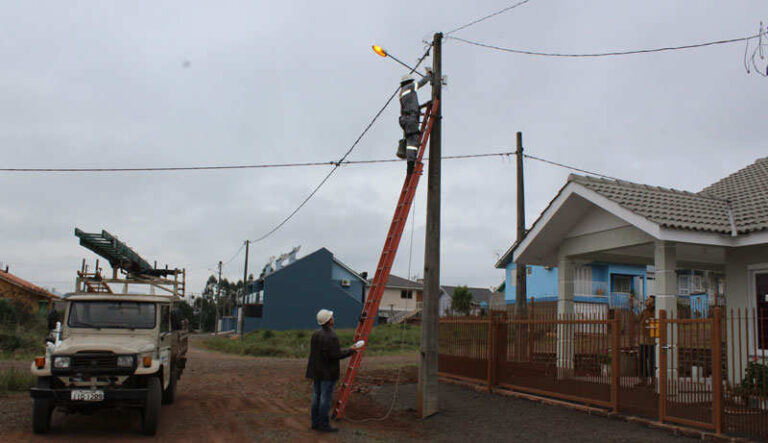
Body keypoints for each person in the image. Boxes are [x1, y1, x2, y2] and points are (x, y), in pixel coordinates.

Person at [305, 309, 356, 433]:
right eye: (331, 317)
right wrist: (351, 350)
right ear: (329, 321)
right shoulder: (332, 336)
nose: (333, 318)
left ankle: (315, 423)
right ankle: (324, 425)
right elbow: (335, 355)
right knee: (325, 400)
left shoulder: (315, 334)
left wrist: (310, 373)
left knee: (316, 398)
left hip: (316, 372)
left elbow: (314, 355)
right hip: (328, 374)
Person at [397, 70, 432, 175]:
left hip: (405, 119)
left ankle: (410, 163)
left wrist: (422, 106)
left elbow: (410, 106)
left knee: (410, 140)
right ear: (409, 82)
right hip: (410, 119)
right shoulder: (410, 87)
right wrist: (429, 75)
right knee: (413, 142)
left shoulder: (402, 92)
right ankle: (411, 166)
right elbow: (421, 83)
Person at [637, 296, 656, 387]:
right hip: (642, 341)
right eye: (646, 300)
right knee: (642, 361)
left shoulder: (655, 312)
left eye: (649, 300)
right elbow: (636, 320)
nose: (647, 301)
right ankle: (643, 380)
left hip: (652, 341)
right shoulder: (644, 312)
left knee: (652, 362)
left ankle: (653, 380)